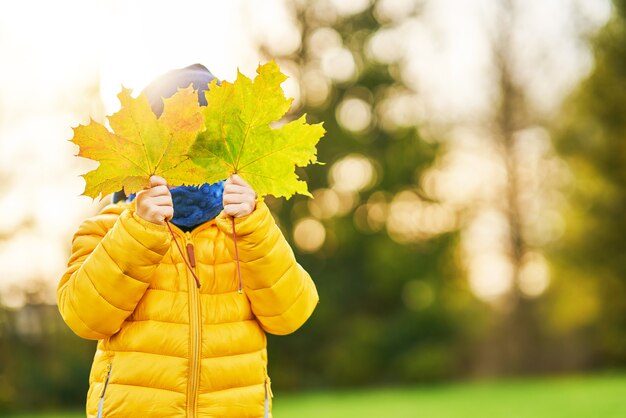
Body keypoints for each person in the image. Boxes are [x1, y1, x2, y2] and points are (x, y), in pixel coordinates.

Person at [57, 64, 319, 418]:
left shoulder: (246, 227)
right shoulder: (107, 227)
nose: (190, 156)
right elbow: (84, 317)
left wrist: (255, 225)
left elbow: (291, 314)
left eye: (204, 142)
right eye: (175, 142)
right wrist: (139, 229)